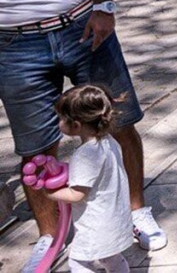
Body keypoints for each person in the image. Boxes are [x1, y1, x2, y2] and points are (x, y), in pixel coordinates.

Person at [0, 0, 165, 272]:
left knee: (118, 122)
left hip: (80, 25)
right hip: (13, 43)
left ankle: (136, 210)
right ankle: (50, 236)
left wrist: (104, 8)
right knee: (35, 147)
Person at [46, 85, 134, 273]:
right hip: (115, 219)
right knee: (111, 257)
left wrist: (50, 192)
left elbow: (77, 194)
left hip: (96, 225)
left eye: (61, 118)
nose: (59, 122)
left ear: (76, 125)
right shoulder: (109, 141)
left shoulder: (85, 155)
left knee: (78, 263)